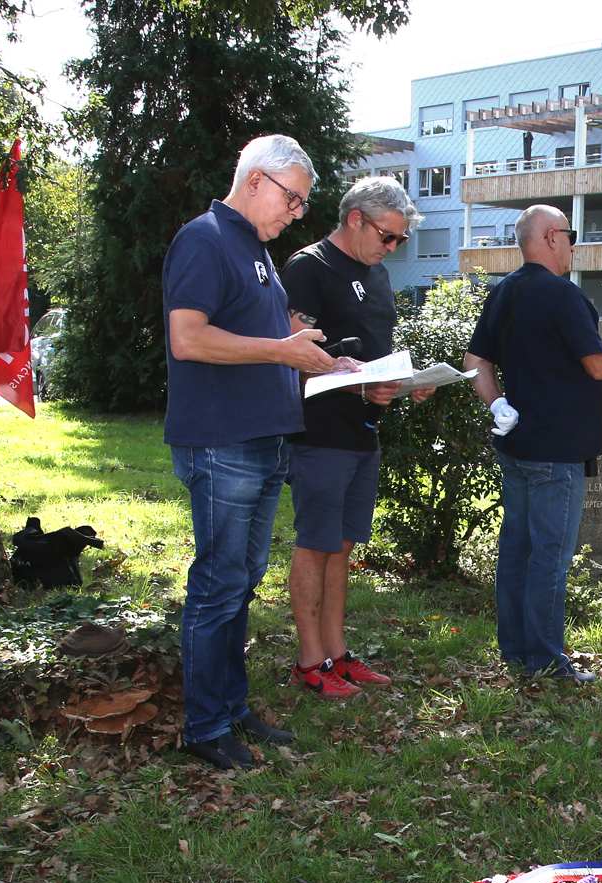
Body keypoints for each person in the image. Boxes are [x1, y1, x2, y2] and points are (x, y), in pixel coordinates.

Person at [162, 134, 359, 769]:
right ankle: (204, 725)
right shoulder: (204, 238)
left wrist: (320, 357)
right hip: (222, 441)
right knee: (219, 585)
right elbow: (188, 339)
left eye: (302, 202)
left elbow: (260, 334)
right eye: (293, 199)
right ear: (255, 180)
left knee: (241, 583)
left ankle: (231, 707)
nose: (297, 213)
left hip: (263, 437)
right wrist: (281, 349)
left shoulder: (254, 248)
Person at [460, 204, 602, 682]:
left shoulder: (504, 291)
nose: (575, 245)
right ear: (551, 237)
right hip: (555, 452)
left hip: (516, 446)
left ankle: (516, 651)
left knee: (517, 549)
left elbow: (475, 359)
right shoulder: (562, 295)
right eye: (571, 234)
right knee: (549, 557)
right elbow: (598, 365)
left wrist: (496, 402)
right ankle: (544, 661)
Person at [281, 176, 425, 697]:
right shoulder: (308, 267)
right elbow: (294, 358)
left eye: (399, 241)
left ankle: (337, 656)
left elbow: (373, 352)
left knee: (341, 547)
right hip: (320, 431)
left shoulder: (378, 275)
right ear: (355, 219)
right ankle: (308, 662)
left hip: (364, 431)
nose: (391, 248)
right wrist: (358, 384)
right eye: (388, 237)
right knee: (315, 545)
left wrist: (405, 383)